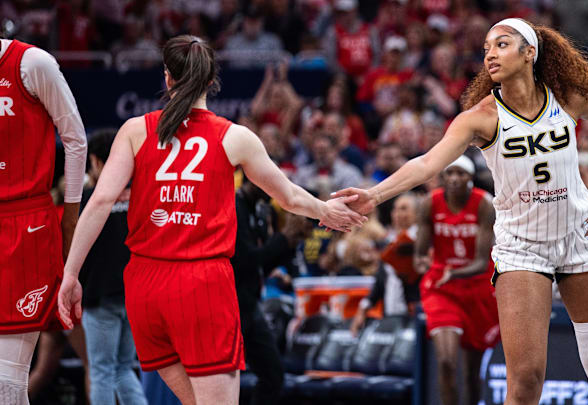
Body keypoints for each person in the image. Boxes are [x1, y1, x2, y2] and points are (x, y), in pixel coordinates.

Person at [334, 18, 588, 404]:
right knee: (526, 380)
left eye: (502, 44)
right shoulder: (480, 117)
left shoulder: (565, 96)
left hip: (581, 236)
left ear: (530, 53)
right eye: (486, 48)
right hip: (522, 247)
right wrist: (375, 195)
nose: (491, 54)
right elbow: (427, 164)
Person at [57, 35, 365, 405]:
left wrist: (71, 274)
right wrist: (325, 210)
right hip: (200, 284)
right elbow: (289, 196)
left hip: (144, 286)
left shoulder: (135, 130)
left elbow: (100, 202)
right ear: (210, 81)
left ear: (167, 78)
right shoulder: (234, 137)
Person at [0, 37, 87, 404]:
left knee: (8, 375)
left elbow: (76, 140)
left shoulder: (32, 63)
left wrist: (70, 219)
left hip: (25, 225)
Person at [415, 155, 499, 405]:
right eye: (449, 173)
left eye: (460, 174)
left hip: (478, 285)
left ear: (470, 178)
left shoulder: (484, 204)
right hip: (443, 289)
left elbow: (481, 261)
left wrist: (454, 272)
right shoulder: (430, 203)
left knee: (472, 372)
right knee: (446, 361)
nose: (453, 179)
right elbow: (420, 255)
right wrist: (422, 265)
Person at [79, 130, 148, 405]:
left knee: (102, 372)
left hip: (99, 298)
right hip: (134, 296)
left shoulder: (88, 200)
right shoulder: (140, 195)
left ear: (95, 161)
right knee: (122, 368)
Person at [230, 179, 312, 405]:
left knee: (273, 376)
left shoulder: (262, 209)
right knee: (226, 377)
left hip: (250, 303)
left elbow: (263, 265)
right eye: (268, 181)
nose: (274, 189)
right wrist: (284, 238)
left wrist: (292, 241)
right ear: (252, 180)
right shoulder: (234, 207)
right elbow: (246, 261)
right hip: (230, 304)